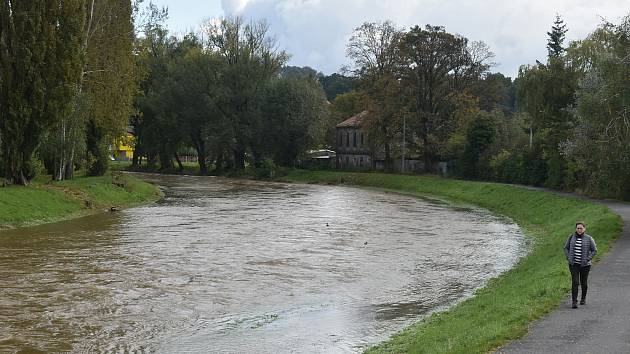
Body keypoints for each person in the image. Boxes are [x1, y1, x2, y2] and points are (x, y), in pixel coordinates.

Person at [564, 222, 597, 309]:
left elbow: (594, 250)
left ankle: (583, 298)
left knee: (583, 282)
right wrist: (568, 257)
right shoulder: (571, 237)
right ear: (576, 229)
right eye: (578, 228)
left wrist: (588, 259)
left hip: (585, 265)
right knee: (575, 282)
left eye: (581, 228)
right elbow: (566, 248)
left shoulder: (589, 238)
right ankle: (574, 302)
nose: (579, 230)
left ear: (584, 229)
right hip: (573, 264)